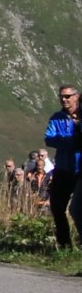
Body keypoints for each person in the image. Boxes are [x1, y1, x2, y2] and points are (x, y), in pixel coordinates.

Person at [44, 84, 82, 248]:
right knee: (57, 207)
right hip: (63, 168)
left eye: (67, 96)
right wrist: (70, 141)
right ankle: (64, 244)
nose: (64, 99)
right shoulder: (56, 117)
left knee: (77, 209)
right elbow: (49, 138)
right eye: (61, 96)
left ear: (76, 96)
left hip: (80, 170)